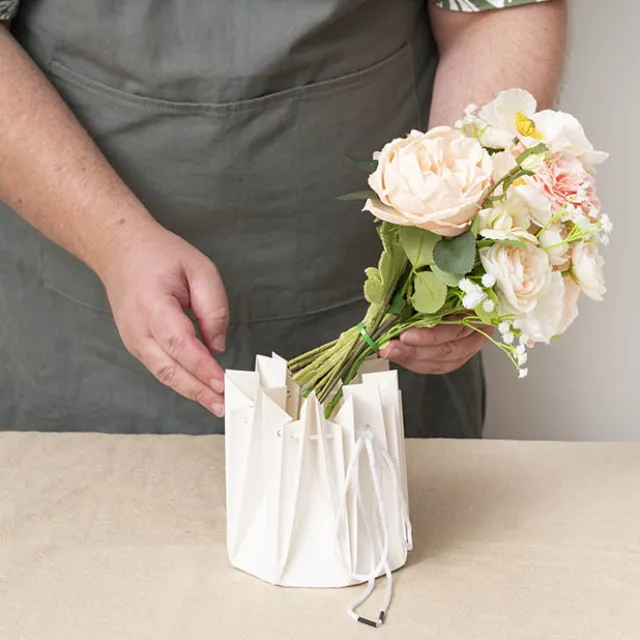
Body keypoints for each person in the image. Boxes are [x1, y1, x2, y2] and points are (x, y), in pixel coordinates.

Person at [0, 0, 566, 437]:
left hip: (380, 305)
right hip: (81, 314)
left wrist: (464, 242)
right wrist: (113, 241)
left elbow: (497, 11)